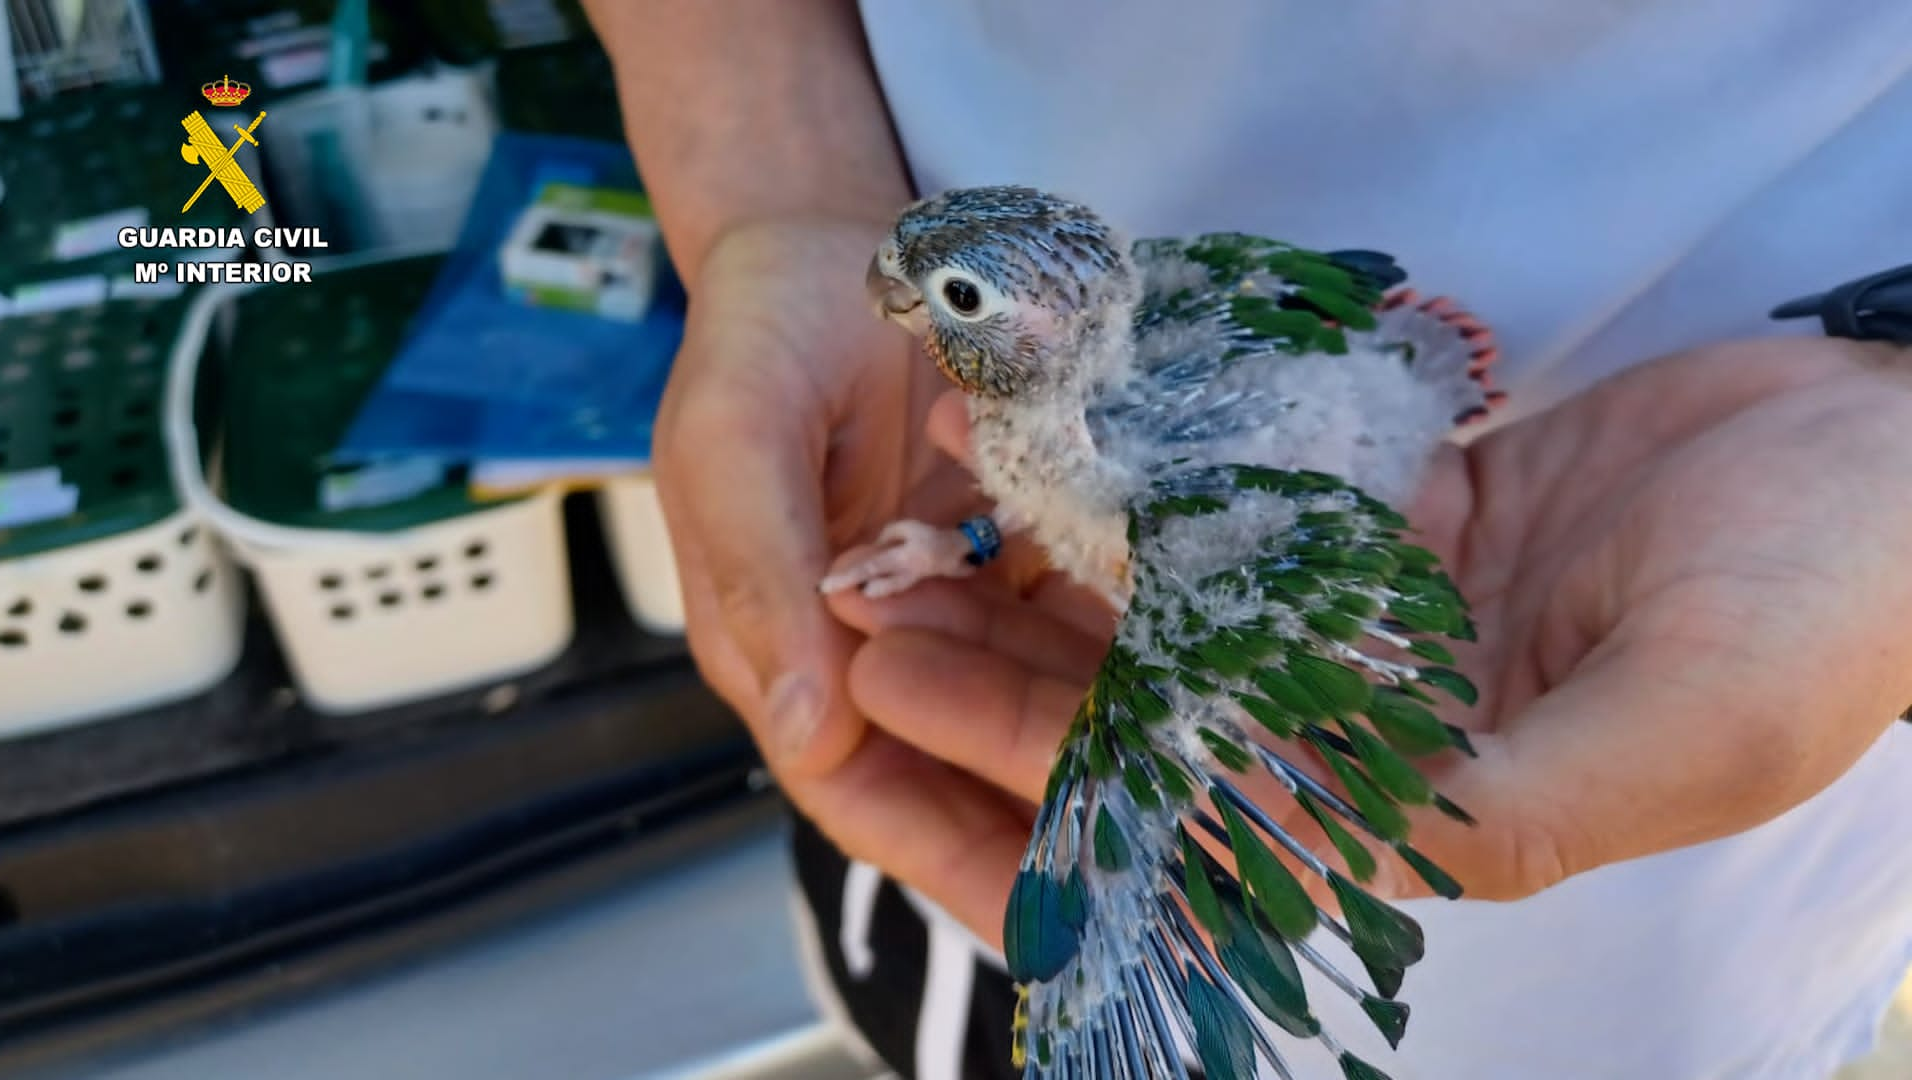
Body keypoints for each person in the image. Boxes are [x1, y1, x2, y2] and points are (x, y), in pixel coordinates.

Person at [578, 2, 1912, 1076]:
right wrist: (785, 182)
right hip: (1012, 769)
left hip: (1717, 816)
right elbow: (1035, 509)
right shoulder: (1021, 428)